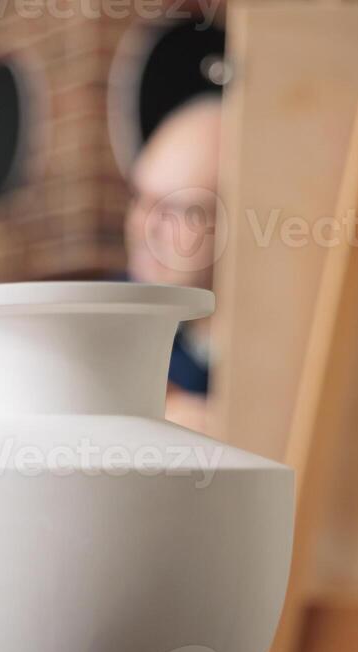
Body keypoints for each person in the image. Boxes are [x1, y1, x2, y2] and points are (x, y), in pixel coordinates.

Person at [124, 95, 222, 432]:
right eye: (139, 198)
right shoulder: (102, 319)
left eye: (175, 210)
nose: (143, 226)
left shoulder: (280, 347)